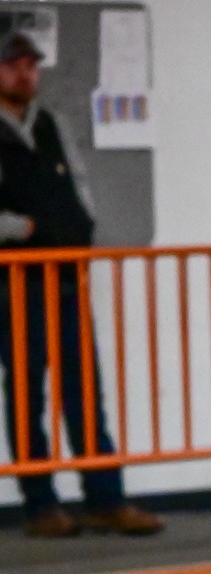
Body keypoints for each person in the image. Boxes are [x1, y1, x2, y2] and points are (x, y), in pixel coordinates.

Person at [0, 31, 163, 538]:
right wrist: (26, 229)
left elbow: (80, 184)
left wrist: (81, 225)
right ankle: (41, 505)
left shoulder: (52, 123)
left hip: (66, 276)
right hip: (14, 282)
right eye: (13, 65)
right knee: (27, 394)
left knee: (85, 390)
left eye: (31, 65)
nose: (25, 74)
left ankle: (105, 498)